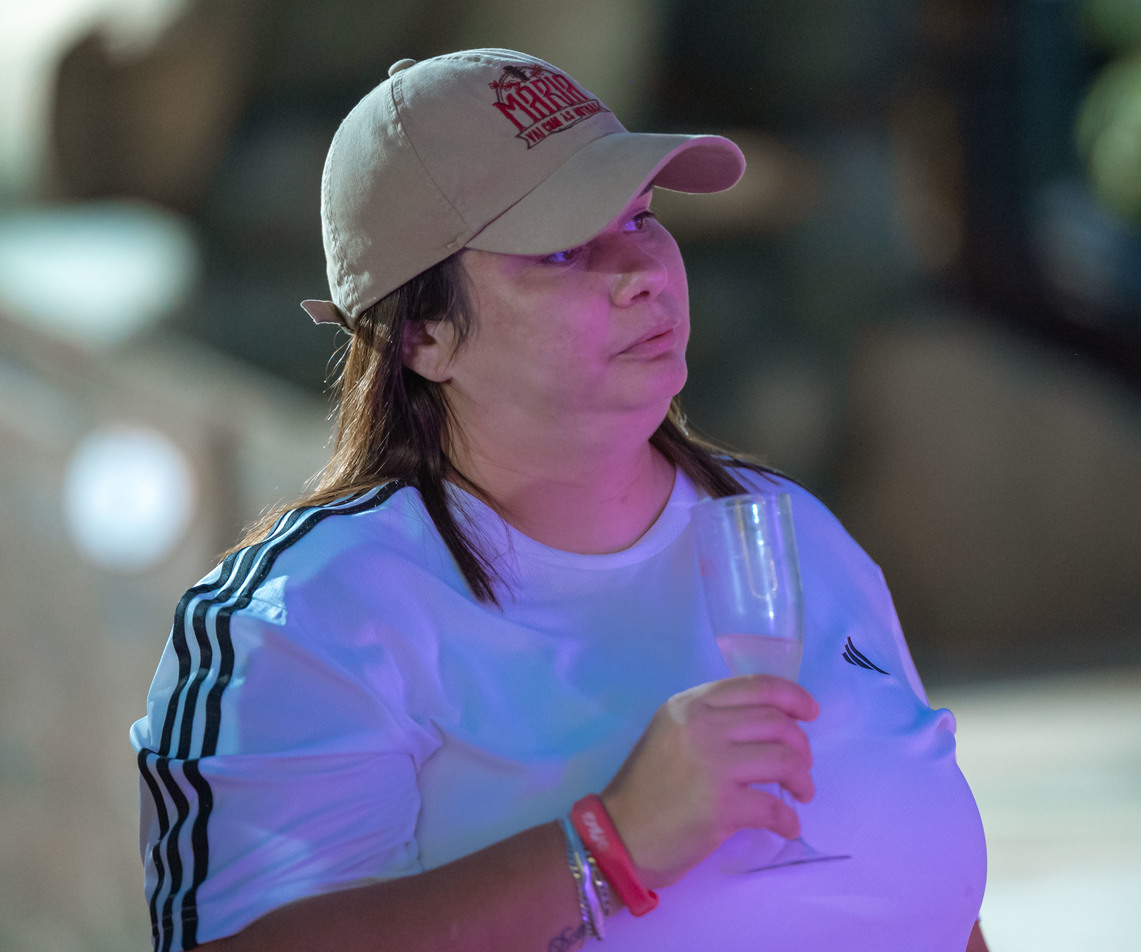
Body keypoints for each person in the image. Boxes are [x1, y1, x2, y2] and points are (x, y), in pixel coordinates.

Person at [131, 48, 988, 952]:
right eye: (563, 247)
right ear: (422, 334)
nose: (644, 269)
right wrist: (609, 848)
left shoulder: (791, 532)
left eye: (643, 216)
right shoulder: (308, 616)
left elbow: (937, 907)